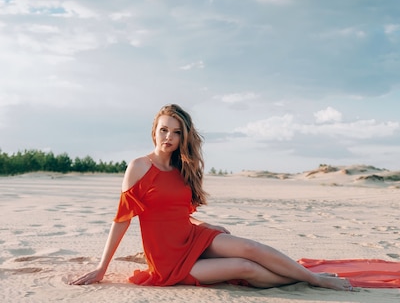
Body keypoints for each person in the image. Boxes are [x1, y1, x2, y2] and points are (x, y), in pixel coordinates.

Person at [70, 104, 353, 291]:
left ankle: (312, 279)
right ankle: (311, 280)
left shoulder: (182, 168)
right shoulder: (139, 167)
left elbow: (177, 211)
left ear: (184, 137)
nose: (168, 136)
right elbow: (122, 219)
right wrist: (101, 266)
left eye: (176, 132)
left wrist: (206, 225)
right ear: (154, 131)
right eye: (164, 130)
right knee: (246, 267)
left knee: (250, 247)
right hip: (168, 260)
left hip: (193, 236)